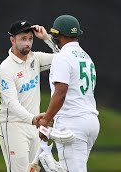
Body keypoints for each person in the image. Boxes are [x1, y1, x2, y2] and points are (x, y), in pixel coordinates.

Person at [37, 14, 100, 172]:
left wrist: (47, 119)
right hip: (90, 122)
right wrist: (46, 38)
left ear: (59, 36)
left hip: (72, 123)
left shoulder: (62, 58)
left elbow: (61, 93)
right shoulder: (86, 57)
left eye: (55, 36)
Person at [0, 19, 59, 172]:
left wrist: (46, 38)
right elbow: (12, 104)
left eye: (30, 39)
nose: (28, 43)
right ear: (12, 40)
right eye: (23, 39)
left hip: (34, 126)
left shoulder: (35, 58)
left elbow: (65, 58)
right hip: (13, 126)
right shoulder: (5, 69)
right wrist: (32, 119)